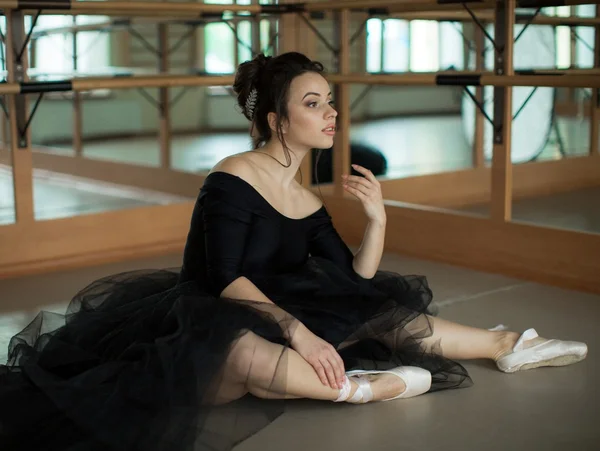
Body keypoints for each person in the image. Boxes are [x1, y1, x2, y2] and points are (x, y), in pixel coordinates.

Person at [0, 51, 588, 451]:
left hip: (285, 311)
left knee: (376, 308)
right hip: (205, 317)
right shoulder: (232, 176)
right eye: (314, 104)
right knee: (239, 356)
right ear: (278, 120)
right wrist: (300, 331)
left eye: (330, 101)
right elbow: (226, 278)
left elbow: (354, 277)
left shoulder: (304, 198)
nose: (331, 113)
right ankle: (352, 387)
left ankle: (505, 344)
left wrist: (377, 220)